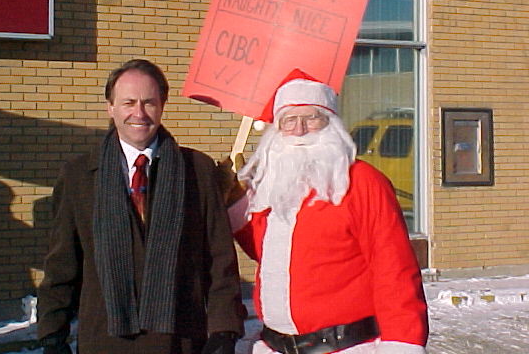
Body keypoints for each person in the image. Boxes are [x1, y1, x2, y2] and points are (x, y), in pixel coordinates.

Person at [37, 59, 244, 354]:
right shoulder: (79, 175)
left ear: (162, 106)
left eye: (149, 102)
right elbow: (62, 265)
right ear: (110, 107)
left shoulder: (197, 170)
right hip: (105, 340)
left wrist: (225, 329)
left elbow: (220, 259)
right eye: (128, 103)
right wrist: (52, 334)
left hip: (180, 338)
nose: (139, 113)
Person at [227, 70, 429, 354]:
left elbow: (394, 270)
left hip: (344, 346)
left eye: (311, 117)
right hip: (274, 345)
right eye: (289, 120)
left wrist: (403, 341)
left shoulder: (362, 182)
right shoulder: (273, 184)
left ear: (330, 123)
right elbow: (270, 254)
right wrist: (233, 201)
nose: (299, 130)